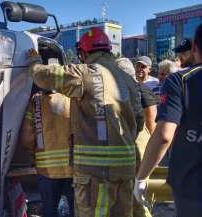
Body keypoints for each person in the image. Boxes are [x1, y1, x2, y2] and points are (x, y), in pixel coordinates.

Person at [27, 27, 144, 217]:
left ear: (83, 53)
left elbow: (46, 77)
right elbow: (139, 123)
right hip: (126, 170)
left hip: (96, 175)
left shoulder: (85, 73)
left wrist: (33, 62)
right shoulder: (128, 80)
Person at [134, 23, 202, 217]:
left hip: (192, 190)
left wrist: (142, 177)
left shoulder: (180, 81)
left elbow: (164, 135)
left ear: (195, 48)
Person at [19, 89, 75, 217]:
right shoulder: (72, 97)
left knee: (50, 211)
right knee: (75, 210)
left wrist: (35, 154)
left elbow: (27, 138)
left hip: (47, 169)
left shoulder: (36, 100)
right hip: (73, 167)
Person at [116, 57, 157, 217]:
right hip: (138, 146)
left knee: (132, 194)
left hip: (130, 146)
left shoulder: (115, 92)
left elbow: (150, 124)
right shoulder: (142, 90)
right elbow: (151, 125)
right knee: (137, 193)